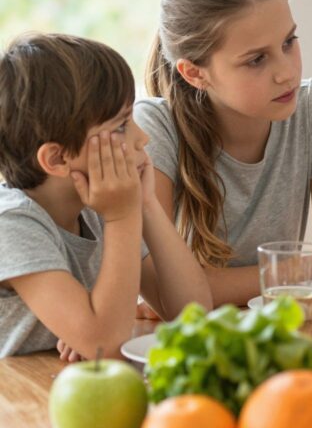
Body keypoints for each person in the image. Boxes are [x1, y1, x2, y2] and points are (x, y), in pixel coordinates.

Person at [135, 0, 312, 306]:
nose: (286, 72)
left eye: (289, 42)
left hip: (283, 337)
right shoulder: (153, 129)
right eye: (257, 59)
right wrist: (301, 274)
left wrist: (208, 283)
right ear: (195, 73)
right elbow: (171, 299)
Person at [0, 34, 210, 359]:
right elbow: (105, 345)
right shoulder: (12, 224)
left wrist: (147, 205)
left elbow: (192, 310)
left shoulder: (98, 205)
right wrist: (122, 218)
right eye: (121, 126)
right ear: (57, 160)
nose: (144, 138)